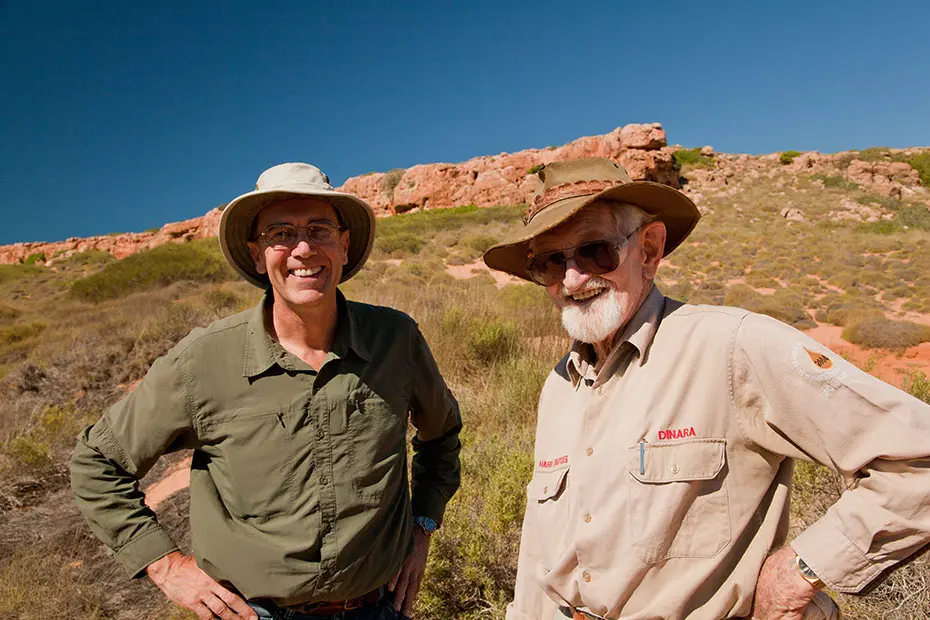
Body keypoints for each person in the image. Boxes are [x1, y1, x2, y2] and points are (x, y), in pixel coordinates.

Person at [482, 157, 930, 620]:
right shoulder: (559, 386)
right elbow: (538, 553)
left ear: (648, 250)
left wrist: (798, 570)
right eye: (551, 263)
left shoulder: (733, 346)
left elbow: (919, 460)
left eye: (596, 251)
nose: (573, 279)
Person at [71, 162, 462, 620]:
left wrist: (423, 526)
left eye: (319, 230)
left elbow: (441, 434)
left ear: (344, 245)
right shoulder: (204, 360)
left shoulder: (395, 340)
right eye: (281, 234)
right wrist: (165, 564)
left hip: (377, 608)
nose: (303, 248)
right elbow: (97, 462)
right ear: (257, 256)